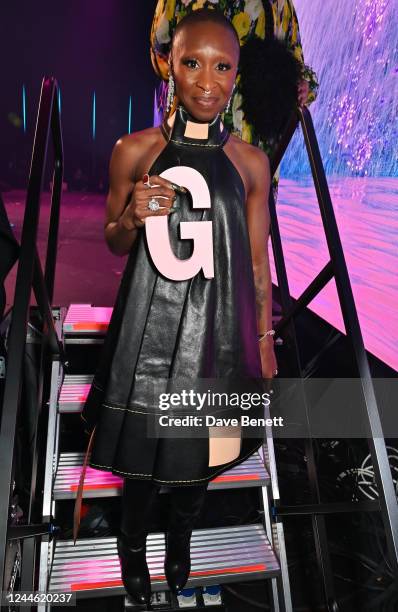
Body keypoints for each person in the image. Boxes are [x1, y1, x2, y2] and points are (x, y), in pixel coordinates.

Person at [73, 8, 277, 607]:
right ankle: (133, 546)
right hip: (151, 334)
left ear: (236, 75)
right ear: (168, 64)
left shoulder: (251, 164)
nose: (207, 82)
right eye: (192, 63)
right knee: (143, 464)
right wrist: (132, 215)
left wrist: (263, 343)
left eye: (222, 67)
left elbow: (260, 267)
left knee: (203, 461)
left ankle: (180, 538)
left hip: (219, 334)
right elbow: (113, 237)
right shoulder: (134, 150)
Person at [151, 0, 319, 195]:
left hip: (254, 134)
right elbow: (161, 53)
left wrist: (301, 87)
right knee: (185, 209)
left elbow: (295, 65)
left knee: (246, 213)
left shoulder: (280, 3)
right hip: (194, 128)